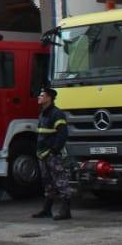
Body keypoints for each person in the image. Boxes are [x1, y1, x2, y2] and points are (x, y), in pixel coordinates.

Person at [34, 87, 73, 221]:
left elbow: (62, 135)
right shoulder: (42, 114)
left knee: (61, 181)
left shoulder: (57, 114)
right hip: (42, 154)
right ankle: (47, 209)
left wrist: (53, 151)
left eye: (42, 95)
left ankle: (66, 210)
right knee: (48, 182)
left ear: (49, 98)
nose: (39, 97)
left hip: (51, 155)